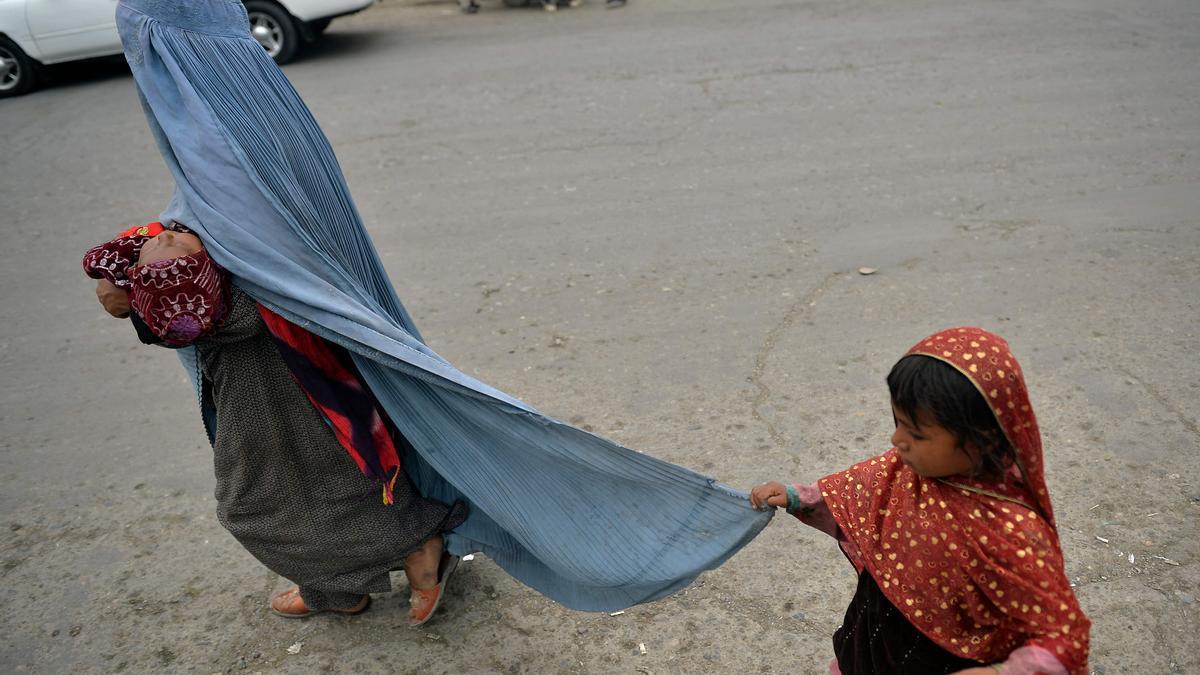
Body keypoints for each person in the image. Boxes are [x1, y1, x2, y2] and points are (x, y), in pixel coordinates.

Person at [84, 222, 467, 625]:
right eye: (163, 248)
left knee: (263, 509)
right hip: (280, 417)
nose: (163, 236)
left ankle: (416, 551)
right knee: (306, 498)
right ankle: (339, 586)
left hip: (310, 410)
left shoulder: (236, 300)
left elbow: (159, 305)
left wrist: (130, 296)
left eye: (175, 244)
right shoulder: (212, 303)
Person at [750, 327, 1090, 674]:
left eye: (916, 432)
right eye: (898, 421)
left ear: (982, 438)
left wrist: (1000, 672)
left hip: (941, 657)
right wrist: (797, 497)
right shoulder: (905, 468)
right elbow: (854, 491)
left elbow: (1062, 636)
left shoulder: (1015, 530)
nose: (896, 439)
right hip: (877, 630)